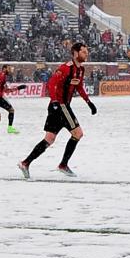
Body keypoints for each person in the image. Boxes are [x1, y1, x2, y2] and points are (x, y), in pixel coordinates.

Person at [20, 43, 96, 178]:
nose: (86, 54)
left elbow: (79, 87)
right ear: (75, 53)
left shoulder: (81, 70)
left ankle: (25, 163)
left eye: (87, 51)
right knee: (78, 133)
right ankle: (63, 165)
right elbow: (51, 84)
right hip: (60, 106)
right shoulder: (65, 68)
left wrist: (89, 102)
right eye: (83, 52)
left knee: (49, 139)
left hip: (61, 106)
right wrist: (55, 101)